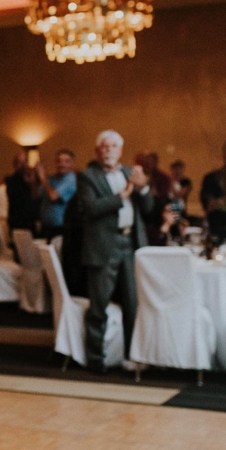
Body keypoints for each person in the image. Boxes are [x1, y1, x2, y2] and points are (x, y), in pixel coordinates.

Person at [77, 130, 153, 372]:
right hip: (102, 246)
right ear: (97, 151)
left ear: (120, 150)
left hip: (130, 244)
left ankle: (132, 356)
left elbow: (148, 208)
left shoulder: (130, 172)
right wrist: (123, 196)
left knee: (133, 303)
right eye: (103, 146)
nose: (108, 150)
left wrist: (143, 189)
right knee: (99, 305)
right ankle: (96, 359)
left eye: (113, 146)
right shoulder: (88, 176)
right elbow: (91, 208)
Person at [35, 149, 77, 240]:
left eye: (66, 161)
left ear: (72, 164)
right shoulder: (51, 178)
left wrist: (42, 178)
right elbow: (36, 195)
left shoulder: (71, 180)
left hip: (60, 229)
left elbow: (53, 197)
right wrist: (34, 178)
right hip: (46, 227)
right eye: (59, 161)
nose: (62, 164)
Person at [5, 150, 38, 234]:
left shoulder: (31, 180)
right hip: (17, 222)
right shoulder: (11, 181)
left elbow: (35, 198)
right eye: (20, 162)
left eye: (25, 162)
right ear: (15, 165)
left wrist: (32, 182)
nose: (23, 165)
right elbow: (17, 199)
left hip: (30, 222)